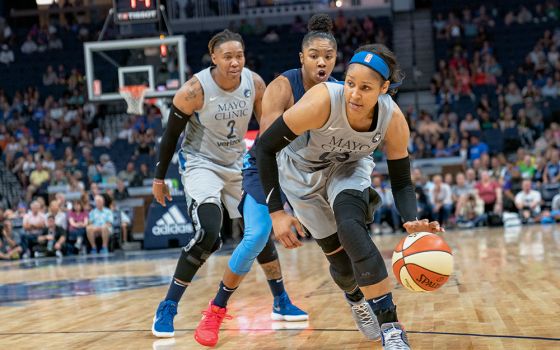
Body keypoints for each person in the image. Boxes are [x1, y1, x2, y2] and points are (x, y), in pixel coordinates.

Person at [197, 14, 377, 347]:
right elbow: (267, 150)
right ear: (301, 58)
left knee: (346, 242)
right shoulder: (283, 86)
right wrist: (279, 209)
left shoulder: (340, 91)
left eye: (328, 57)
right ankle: (215, 310)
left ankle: (356, 300)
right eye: (314, 56)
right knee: (256, 236)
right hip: (268, 169)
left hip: (313, 172)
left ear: (337, 60)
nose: (321, 62)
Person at [256, 44, 444, 350]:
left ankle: (391, 328)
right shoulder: (322, 100)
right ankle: (356, 299)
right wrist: (276, 211)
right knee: (342, 267)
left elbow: (401, 179)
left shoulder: (393, 120)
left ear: (384, 88)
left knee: (351, 227)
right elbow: (264, 148)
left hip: (347, 167)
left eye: (366, 88)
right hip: (300, 175)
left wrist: (411, 219)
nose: (355, 94)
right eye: (350, 83)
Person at [150, 29, 266, 340]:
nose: (234, 62)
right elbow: (170, 136)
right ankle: (168, 306)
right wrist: (159, 177)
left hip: (238, 162)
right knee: (208, 232)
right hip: (202, 163)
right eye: (227, 56)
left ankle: (281, 299)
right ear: (213, 57)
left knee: (260, 228)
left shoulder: (254, 83)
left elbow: (268, 127)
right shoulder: (193, 91)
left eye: (239, 56)